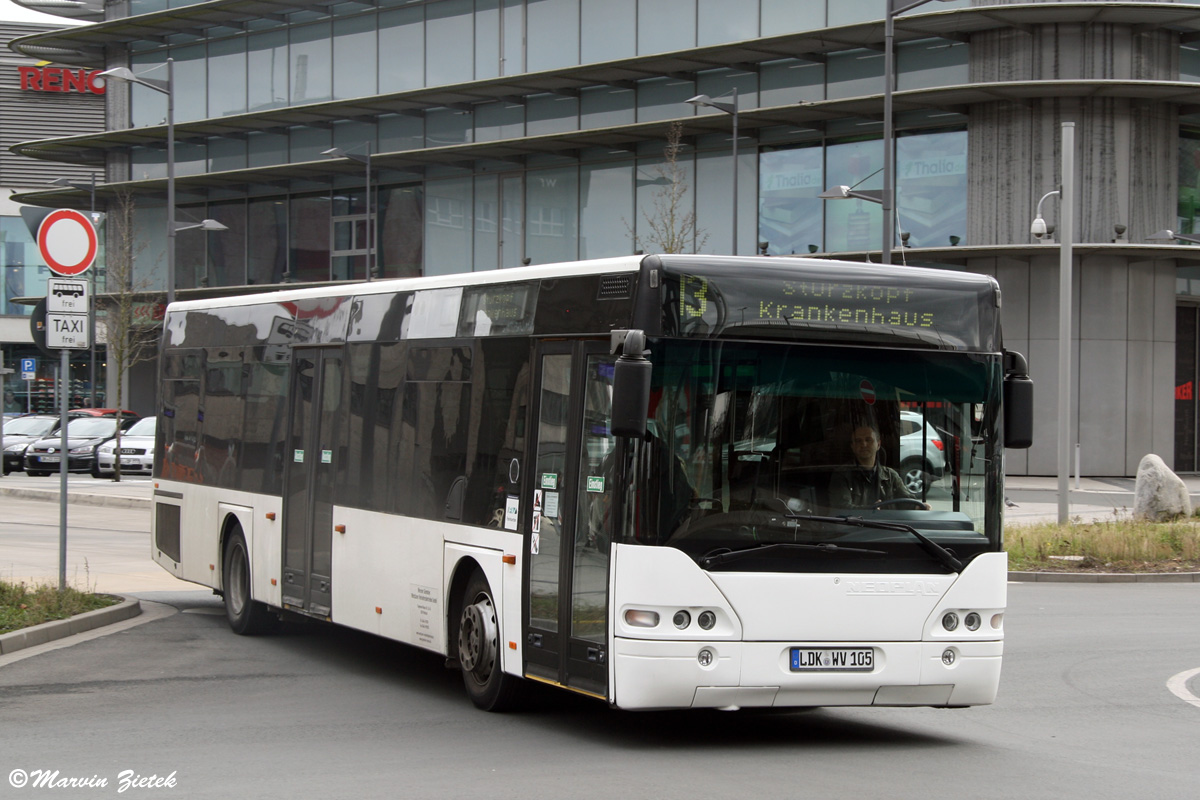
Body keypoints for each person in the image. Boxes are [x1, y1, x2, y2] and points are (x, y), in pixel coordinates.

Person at [828, 423, 925, 509]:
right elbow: (841, 508)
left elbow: (905, 501)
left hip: (889, 527)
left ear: (878, 444)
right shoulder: (842, 475)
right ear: (852, 447)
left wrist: (917, 507)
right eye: (858, 441)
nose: (864, 444)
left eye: (868, 440)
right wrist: (870, 510)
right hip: (855, 527)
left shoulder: (891, 476)